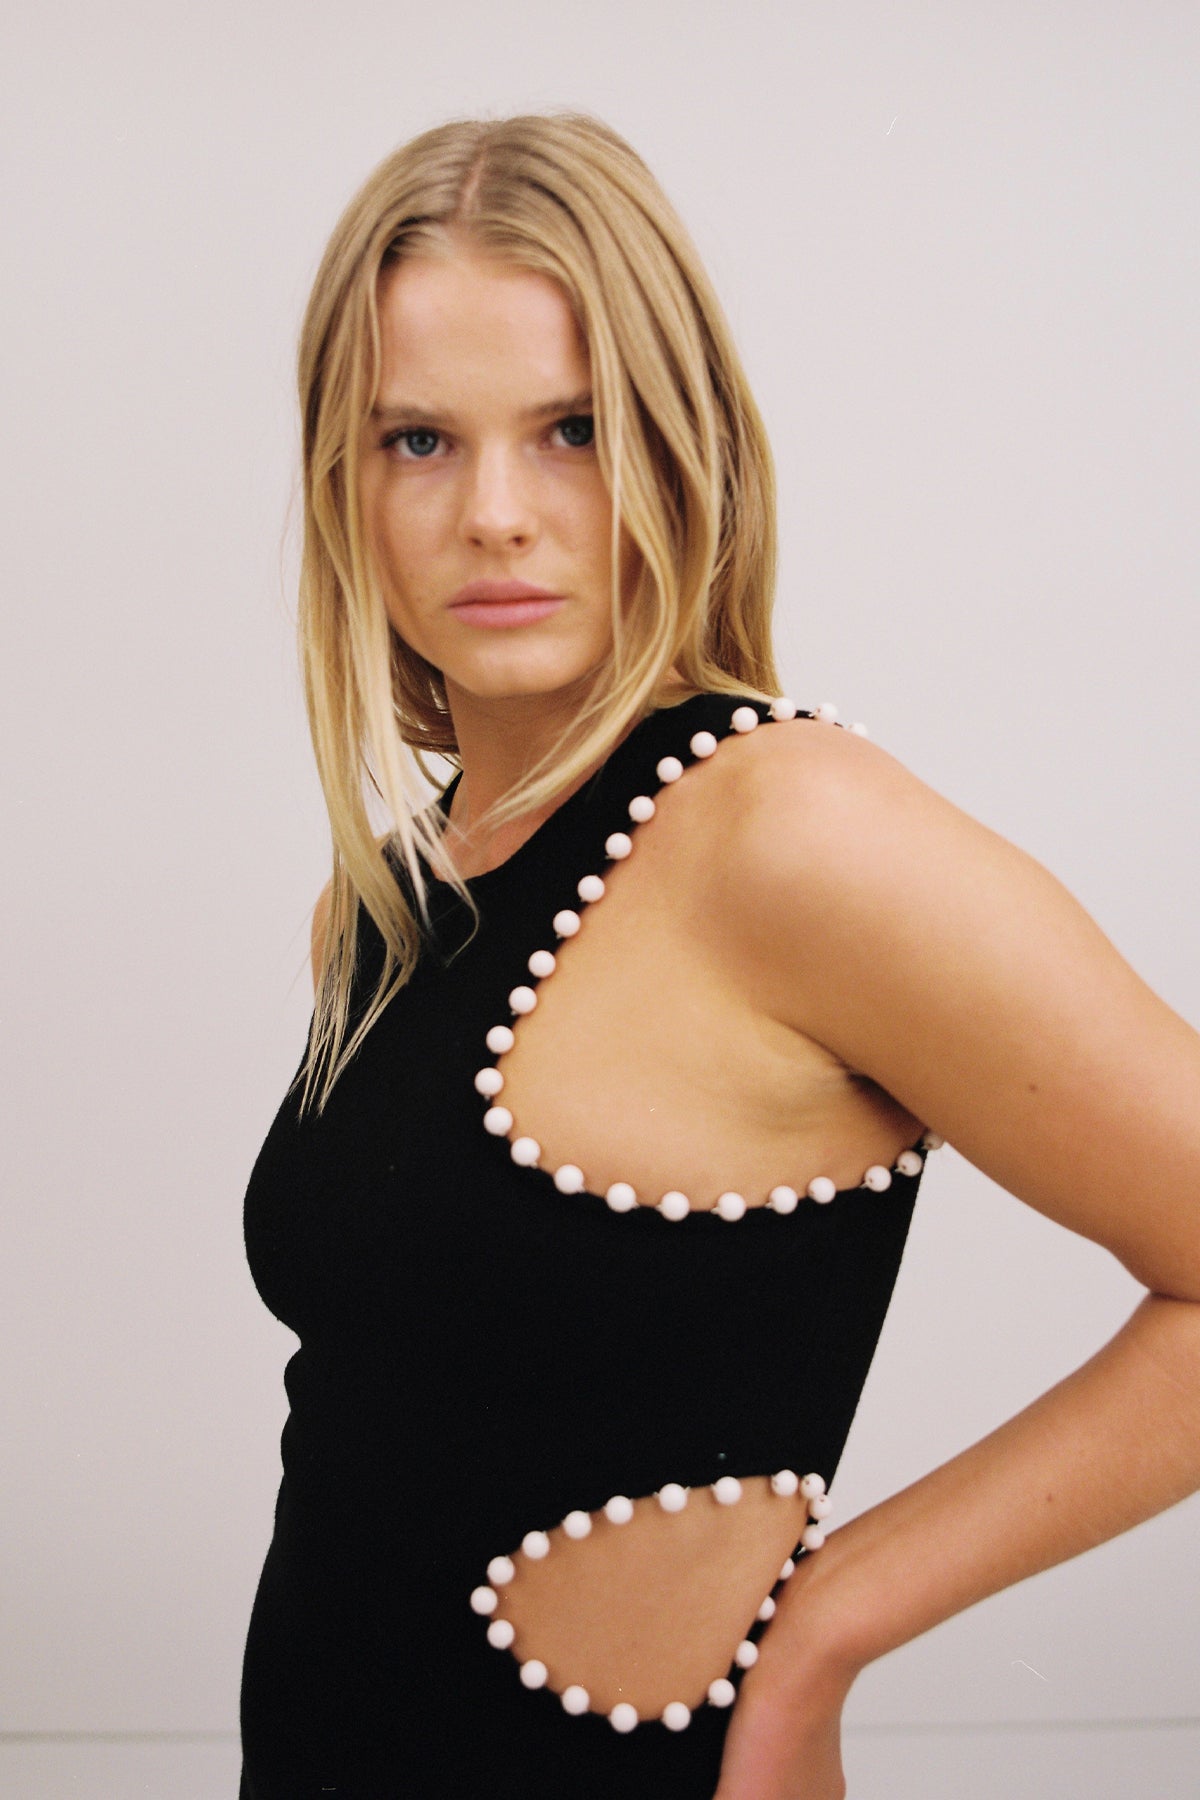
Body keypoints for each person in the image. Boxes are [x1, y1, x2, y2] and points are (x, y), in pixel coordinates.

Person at [238, 111, 1200, 1800]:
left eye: (574, 429)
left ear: (684, 445)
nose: (496, 516)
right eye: (418, 440)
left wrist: (830, 1627)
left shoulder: (788, 831)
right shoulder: (378, 909)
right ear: (342, 478)